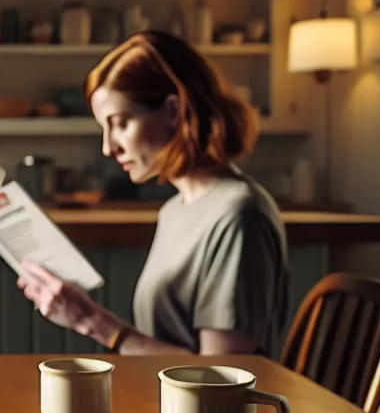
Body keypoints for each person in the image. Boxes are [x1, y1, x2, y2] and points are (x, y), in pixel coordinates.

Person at [17, 31, 288, 356]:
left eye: (120, 123)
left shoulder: (238, 215)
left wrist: (90, 320)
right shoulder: (175, 209)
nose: (108, 147)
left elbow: (223, 378)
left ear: (174, 111)